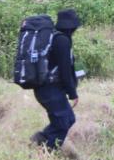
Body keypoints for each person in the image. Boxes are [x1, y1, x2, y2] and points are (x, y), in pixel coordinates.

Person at [30, 9, 81, 151]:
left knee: (68, 119)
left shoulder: (54, 37)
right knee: (63, 122)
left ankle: (39, 140)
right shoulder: (62, 41)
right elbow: (65, 70)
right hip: (50, 90)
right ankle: (46, 150)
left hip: (46, 89)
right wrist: (73, 93)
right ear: (72, 26)